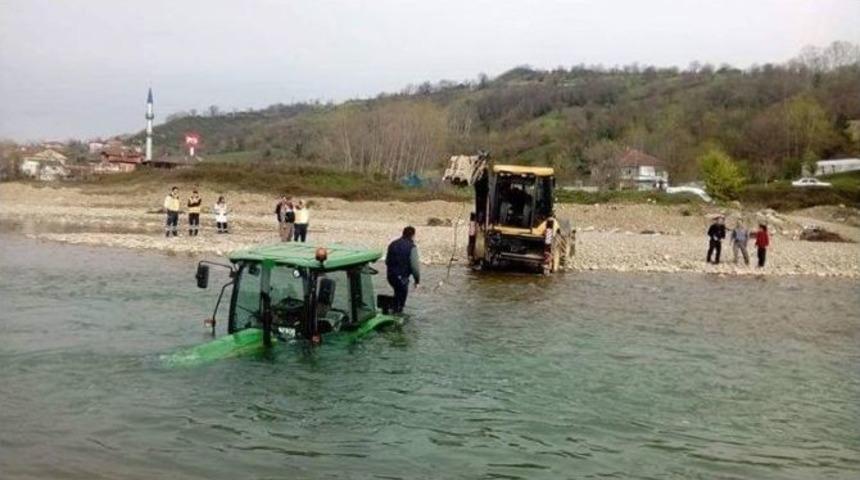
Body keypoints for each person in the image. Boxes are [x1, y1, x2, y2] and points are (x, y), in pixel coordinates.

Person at [385, 226, 421, 314]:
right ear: (413, 235)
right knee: (401, 301)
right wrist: (417, 281)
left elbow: (387, 261)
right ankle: (397, 314)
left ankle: (392, 310)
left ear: (403, 233)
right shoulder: (412, 247)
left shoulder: (392, 244)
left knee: (396, 294)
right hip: (402, 278)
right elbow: (415, 267)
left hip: (390, 277)